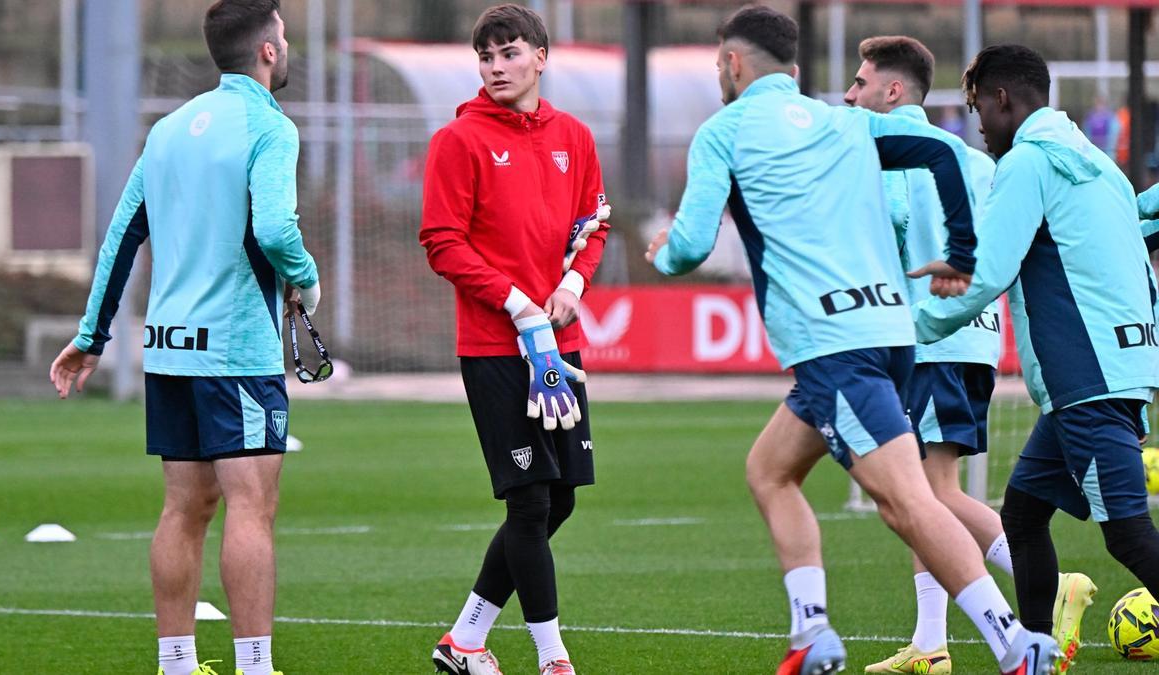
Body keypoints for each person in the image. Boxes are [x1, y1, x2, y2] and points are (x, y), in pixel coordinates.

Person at [645, 7, 1058, 674]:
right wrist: (960, 249)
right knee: (770, 471)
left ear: (732, 63)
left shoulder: (724, 130)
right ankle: (811, 631)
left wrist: (662, 252)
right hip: (887, 332)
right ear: (795, 68)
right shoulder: (845, 121)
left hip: (836, 342)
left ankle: (1015, 644)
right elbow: (936, 152)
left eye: (719, 61)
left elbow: (692, 243)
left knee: (910, 502)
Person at [48, 2, 317, 674]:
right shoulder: (269, 126)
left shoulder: (167, 130)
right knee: (252, 505)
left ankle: (176, 662)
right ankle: (255, 665)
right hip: (235, 352)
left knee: (184, 506)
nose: (285, 47)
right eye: (282, 37)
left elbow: (121, 236)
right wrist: (305, 281)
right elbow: (278, 232)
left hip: (168, 348)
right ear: (265, 52)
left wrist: (92, 335)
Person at [843, 36, 1096, 674]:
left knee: (924, 495)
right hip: (973, 338)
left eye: (860, 82)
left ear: (892, 92)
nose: (850, 94)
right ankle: (930, 644)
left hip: (933, 341)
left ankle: (1051, 582)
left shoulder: (895, 153)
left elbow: (890, 229)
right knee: (922, 492)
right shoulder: (980, 159)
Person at [915, 42, 1159, 669]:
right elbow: (1134, 225)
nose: (979, 127)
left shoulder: (1027, 164)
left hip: (1089, 379)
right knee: (1021, 515)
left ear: (1002, 99)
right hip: (1104, 373)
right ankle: (1031, 652)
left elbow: (989, 271)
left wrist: (914, 330)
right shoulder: (1092, 161)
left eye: (978, 109)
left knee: (1128, 534)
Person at [418, 5, 609, 675]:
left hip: (560, 345)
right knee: (528, 499)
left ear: (540, 57)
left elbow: (593, 226)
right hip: (496, 348)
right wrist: (517, 301)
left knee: (561, 498)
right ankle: (554, 659)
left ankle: (464, 640)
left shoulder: (576, 137)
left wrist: (574, 287)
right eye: (486, 56)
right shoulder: (459, 140)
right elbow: (442, 241)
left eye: (508, 53)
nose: (496, 67)